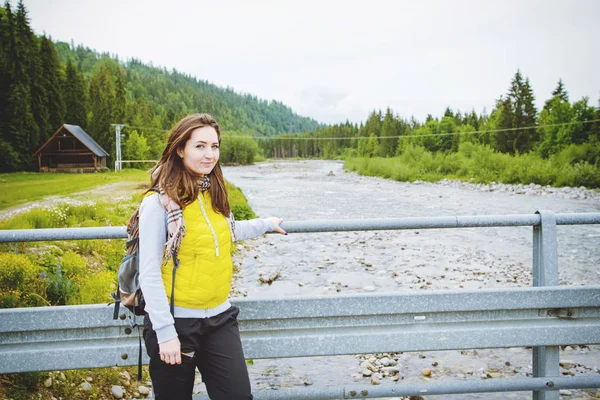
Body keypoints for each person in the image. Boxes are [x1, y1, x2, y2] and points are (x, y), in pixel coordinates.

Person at [138, 113, 286, 400]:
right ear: (180, 149)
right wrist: (166, 333)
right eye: (200, 146)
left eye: (215, 146)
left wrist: (267, 223)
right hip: (177, 322)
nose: (209, 155)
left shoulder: (215, 193)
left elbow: (228, 231)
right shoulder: (158, 203)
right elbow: (149, 273)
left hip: (220, 318)